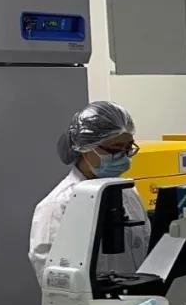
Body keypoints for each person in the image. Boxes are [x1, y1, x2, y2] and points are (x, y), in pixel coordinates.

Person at [29, 101, 150, 284]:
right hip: (88, 302)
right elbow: (53, 278)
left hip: (135, 298)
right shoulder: (58, 205)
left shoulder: (129, 193)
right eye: (116, 149)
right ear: (86, 148)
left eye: (128, 148)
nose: (124, 157)